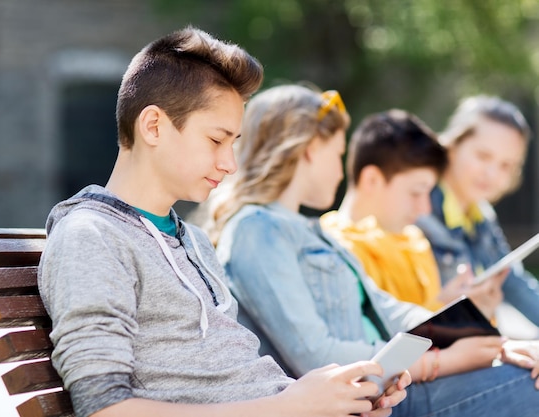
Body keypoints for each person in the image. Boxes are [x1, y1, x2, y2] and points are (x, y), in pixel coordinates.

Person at [37, 27, 409, 417]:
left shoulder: (193, 241)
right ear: (153, 127)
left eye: (233, 144)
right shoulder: (92, 236)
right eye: (217, 140)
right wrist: (292, 406)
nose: (229, 164)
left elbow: (235, 381)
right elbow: (104, 408)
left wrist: (334, 402)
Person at [208, 83, 539, 417]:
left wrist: (486, 341)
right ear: (309, 149)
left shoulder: (313, 232)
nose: (341, 171)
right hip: (367, 396)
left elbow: (391, 310)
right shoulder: (257, 230)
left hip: (387, 390)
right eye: (337, 154)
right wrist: (437, 361)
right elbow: (313, 352)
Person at [320, 109, 504, 319]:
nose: (425, 209)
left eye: (429, 193)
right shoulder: (331, 250)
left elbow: (431, 332)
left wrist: (463, 311)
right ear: (372, 180)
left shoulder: (415, 242)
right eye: (416, 192)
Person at [415, 95, 539, 330]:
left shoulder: (481, 214)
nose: (492, 174)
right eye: (483, 156)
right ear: (452, 145)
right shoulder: (417, 210)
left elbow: (512, 282)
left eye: (506, 165)